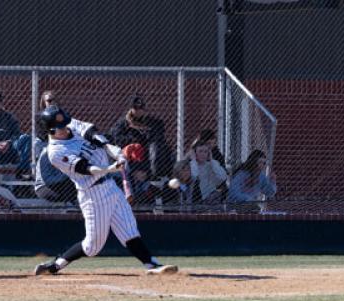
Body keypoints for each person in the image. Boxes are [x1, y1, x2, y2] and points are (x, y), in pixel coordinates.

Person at [33, 105, 178, 276]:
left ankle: (151, 264)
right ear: (50, 130)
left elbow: (98, 139)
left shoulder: (72, 125)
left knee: (129, 230)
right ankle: (54, 266)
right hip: (93, 194)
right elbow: (86, 168)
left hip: (111, 187)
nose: (65, 128)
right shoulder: (55, 152)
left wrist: (117, 153)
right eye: (60, 127)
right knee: (92, 247)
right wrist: (110, 168)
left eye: (65, 124)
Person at [110, 94, 173, 179]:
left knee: (156, 148)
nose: (139, 111)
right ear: (131, 109)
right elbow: (116, 138)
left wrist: (147, 137)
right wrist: (134, 140)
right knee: (135, 149)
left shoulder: (153, 122)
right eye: (136, 108)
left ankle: (155, 175)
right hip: (132, 158)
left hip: (147, 157)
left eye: (141, 109)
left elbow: (159, 137)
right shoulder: (123, 123)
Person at [189, 140, 228, 205]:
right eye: (200, 151)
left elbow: (223, 177)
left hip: (211, 198)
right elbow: (194, 176)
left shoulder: (212, 164)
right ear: (195, 153)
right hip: (194, 199)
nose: (203, 154)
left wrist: (212, 160)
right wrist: (193, 160)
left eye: (206, 152)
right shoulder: (190, 165)